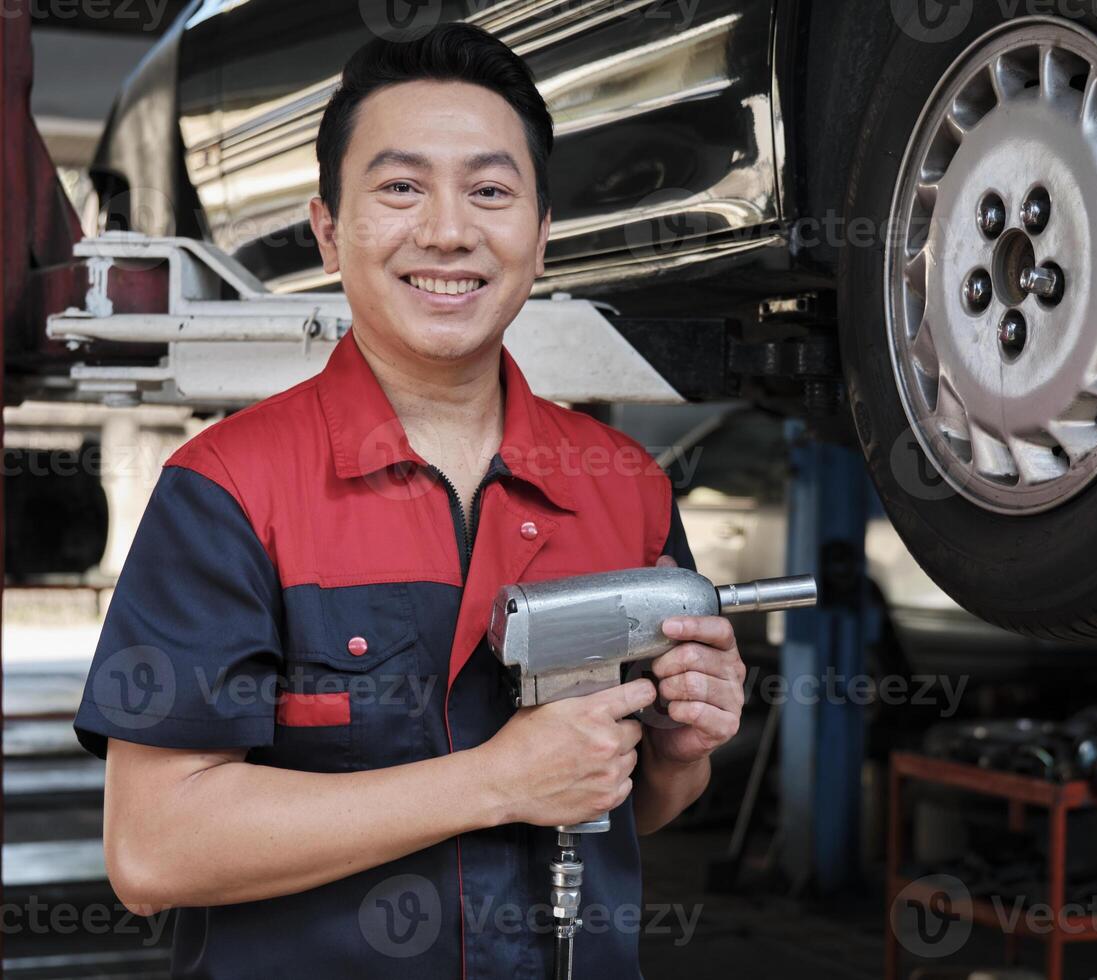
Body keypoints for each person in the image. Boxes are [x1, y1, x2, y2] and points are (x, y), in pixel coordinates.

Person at [72, 22, 745, 979]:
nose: (447, 231)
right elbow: (153, 850)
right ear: (328, 229)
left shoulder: (625, 485)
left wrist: (679, 751)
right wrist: (492, 781)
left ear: (541, 234)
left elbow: (622, 810)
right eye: (400, 187)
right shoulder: (230, 490)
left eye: (491, 191)